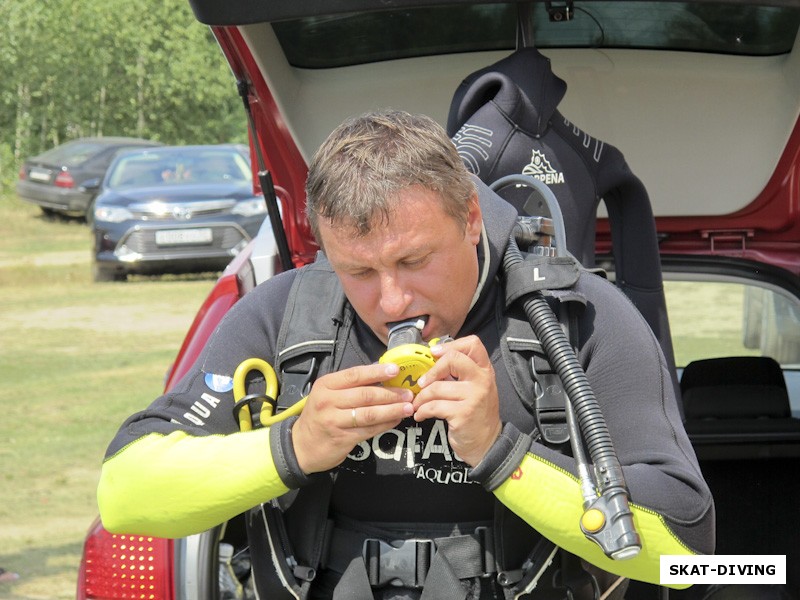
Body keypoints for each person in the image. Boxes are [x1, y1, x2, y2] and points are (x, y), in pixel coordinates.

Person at [97, 110, 714, 599]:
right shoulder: (282, 316)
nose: (392, 300)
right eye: (358, 270)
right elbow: (124, 498)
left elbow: (696, 558)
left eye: (414, 261)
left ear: (472, 218)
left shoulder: (580, 319)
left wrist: (500, 454)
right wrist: (294, 445)